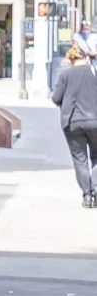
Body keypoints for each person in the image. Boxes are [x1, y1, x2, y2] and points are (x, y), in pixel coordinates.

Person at [51, 45, 97, 206]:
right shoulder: (94, 72)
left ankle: (87, 195)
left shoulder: (65, 74)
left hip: (73, 121)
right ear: (86, 58)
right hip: (95, 120)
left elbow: (56, 98)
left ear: (70, 60)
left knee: (80, 159)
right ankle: (96, 189)